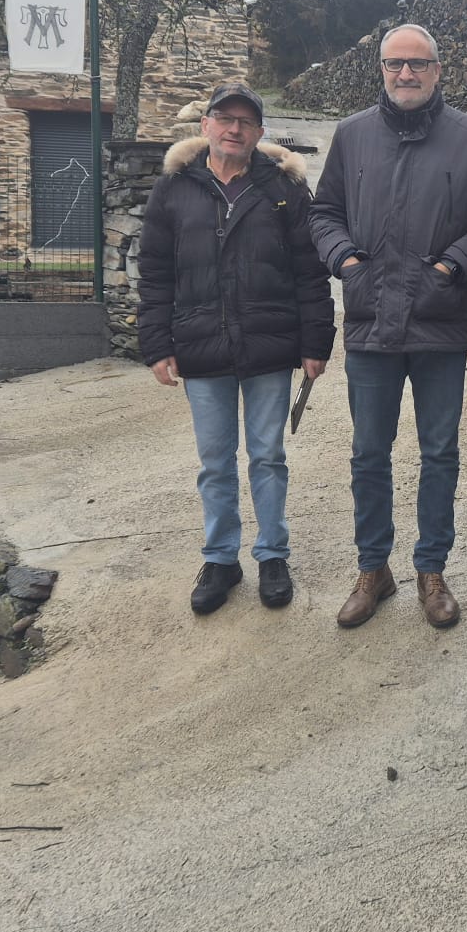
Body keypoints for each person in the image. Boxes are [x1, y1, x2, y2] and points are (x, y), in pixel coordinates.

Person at [307, 23, 467, 631]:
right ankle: (374, 568)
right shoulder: (351, 137)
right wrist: (346, 261)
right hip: (371, 322)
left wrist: (452, 263)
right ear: (382, 69)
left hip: (438, 322)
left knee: (439, 453)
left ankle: (431, 568)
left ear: (437, 70)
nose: (406, 74)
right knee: (369, 454)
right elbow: (324, 214)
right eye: (395, 64)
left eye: (417, 65)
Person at [137, 83, 334, 616]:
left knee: (268, 456)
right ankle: (221, 559)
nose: (234, 129)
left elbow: (311, 272)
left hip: (269, 345)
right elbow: (154, 274)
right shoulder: (174, 190)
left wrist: (316, 341)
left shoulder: (284, 191)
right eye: (225, 118)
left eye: (246, 122)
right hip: (201, 347)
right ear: (205, 125)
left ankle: (273, 554)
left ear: (260, 133)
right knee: (215, 462)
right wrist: (157, 343)